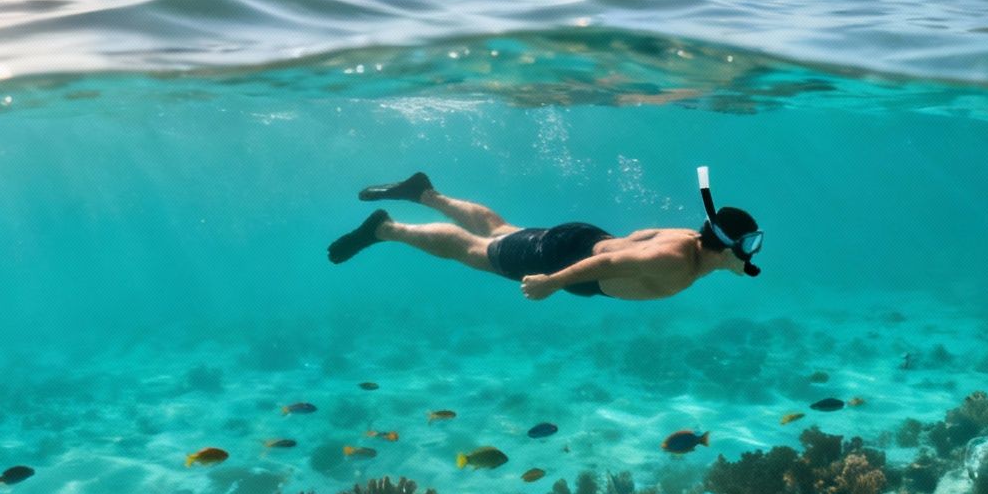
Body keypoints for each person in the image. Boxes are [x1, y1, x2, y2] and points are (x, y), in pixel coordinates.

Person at [326, 169, 763, 301]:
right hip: (566, 259)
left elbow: (634, 238)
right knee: (478, 250)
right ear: (730, 246)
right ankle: (386, 228)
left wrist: (729, 263)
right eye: (749, 246)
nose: (752, 255)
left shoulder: (688, 238)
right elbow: (609, 263)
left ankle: (422, 191)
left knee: (500, 230)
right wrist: (552, 282)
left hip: (582, 238)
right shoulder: (675, 262)